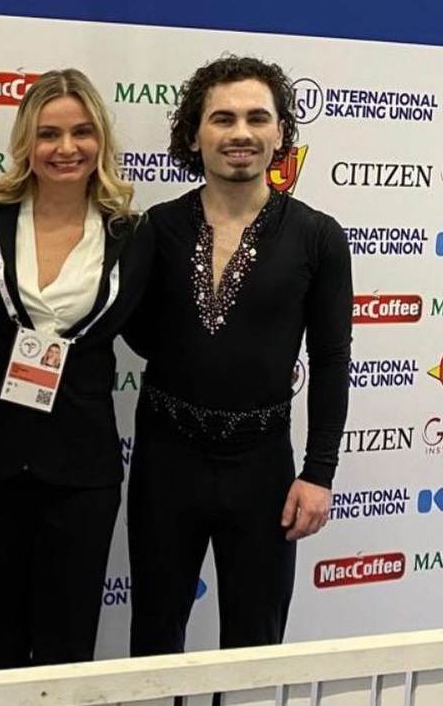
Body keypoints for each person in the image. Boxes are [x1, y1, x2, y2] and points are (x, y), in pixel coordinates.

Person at [125, 55, 352, 655]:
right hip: (165, 461)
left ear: (281, 133)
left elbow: (332, 360)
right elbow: (139, 335)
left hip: (263, 468)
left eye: (257, 118)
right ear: (193, 135)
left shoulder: (318, 236)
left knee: (255, 648)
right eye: (222, 119)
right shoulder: (157, 228)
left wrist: (319, 474)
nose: (241, 133)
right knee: (154, 639)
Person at [0, 69, 154, 669]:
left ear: (101, 139)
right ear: (26, 142)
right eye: (49, 134)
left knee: (68, 649)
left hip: (82, 469)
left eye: (81, 132)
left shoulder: (133, 233)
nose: (66, 148)